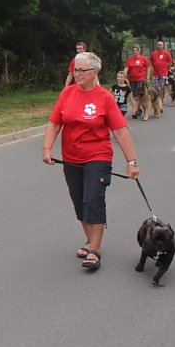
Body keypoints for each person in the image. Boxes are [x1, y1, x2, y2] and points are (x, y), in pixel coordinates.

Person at [42, 52, 140, 271]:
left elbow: (121, 132)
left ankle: (95, 250)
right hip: (71, 158)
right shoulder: (67, 94)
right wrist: (47, 147)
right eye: (75, 70)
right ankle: (90, 240)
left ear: (94, 72)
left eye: (81, 70)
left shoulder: (104, 97)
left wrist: (131, 161)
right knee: (79, 201)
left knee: (93, 199)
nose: (76, 73)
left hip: (98, 156)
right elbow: (54, 123)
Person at [124, 45, 151, 119]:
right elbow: (127, 67)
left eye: (136, 50)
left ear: (139, 51)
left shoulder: (143, 58)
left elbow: (148, 67)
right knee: (133, 95)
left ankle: (135, 111)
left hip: (141, 79)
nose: (134, 52)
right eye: (133, 50)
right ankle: (138, 109)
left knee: (138, 95)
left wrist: (147, 77)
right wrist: (125, 72)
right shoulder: (130, 59)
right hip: (132, 79)